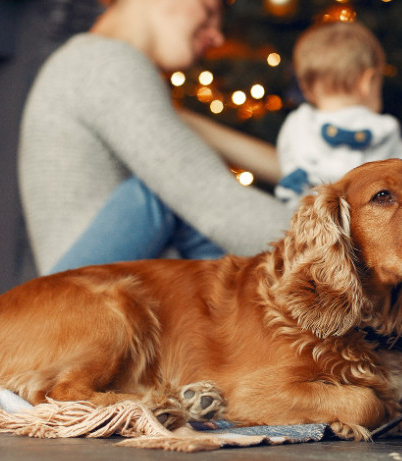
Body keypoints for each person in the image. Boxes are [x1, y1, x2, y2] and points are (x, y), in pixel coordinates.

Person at [18, 0, 293, 275]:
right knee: (169, 192)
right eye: (209, 11)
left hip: (82, 294)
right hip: (83, 299)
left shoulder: (87, 64)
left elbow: (207, 164)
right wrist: (328, 244)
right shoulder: (106, 62)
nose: (218, 37)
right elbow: (212, 198)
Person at [274, 20, 402, 206]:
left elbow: (288, 171)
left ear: (307, 90)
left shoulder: (297, 123)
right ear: (368, 81)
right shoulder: (386, 130)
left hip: (312, 224)